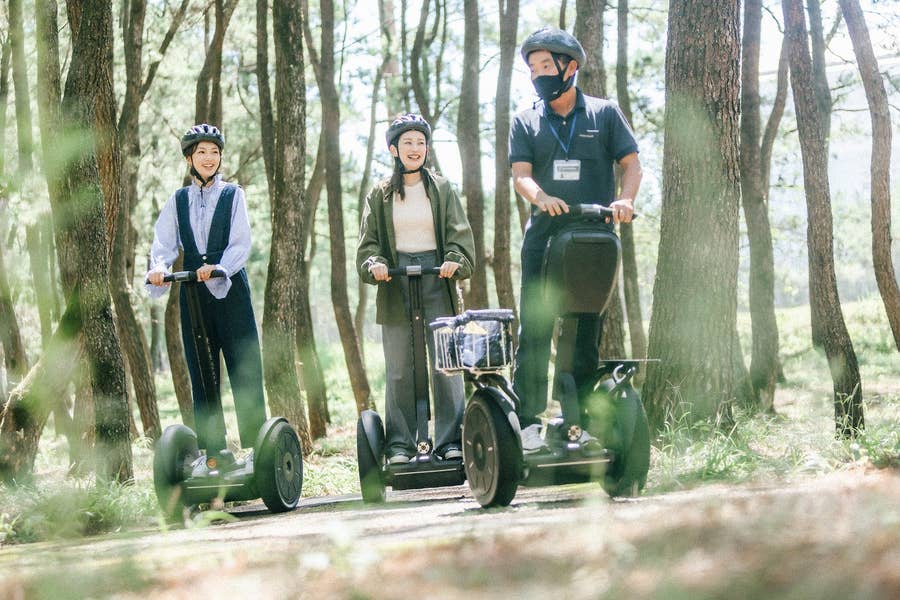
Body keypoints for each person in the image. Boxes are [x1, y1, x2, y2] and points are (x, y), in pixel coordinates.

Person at [509, 28, 642, 452]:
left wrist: (625, 199)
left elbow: (632, 164)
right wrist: (541, 197)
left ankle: (576, 420)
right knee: (536, 329)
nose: (538, 75)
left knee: (585, 329)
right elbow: (521, 175)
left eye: (545, 66)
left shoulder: (604, 114)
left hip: (592, 239)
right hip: (544, 240)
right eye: (533, 68)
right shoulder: (526, 120)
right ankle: (527, 422)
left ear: (570, 67)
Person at [356, 113, 476, 464]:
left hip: (437, 278)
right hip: (395, 282)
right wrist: (375, 264)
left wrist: (454, 259)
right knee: (399, 367)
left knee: (445, 363)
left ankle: (451, 441)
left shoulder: (442, 188)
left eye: (420, 142)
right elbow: (368, 244)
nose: (415, 148)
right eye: (407, 142)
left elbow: (459, 234)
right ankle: (400, 445)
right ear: (394, 149)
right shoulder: (380, 193)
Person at [146, 123, 267, 467]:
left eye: (214, 152)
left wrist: (220, 267)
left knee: (244, 367)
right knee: (202, 370)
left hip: (231, 292)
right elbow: (164, 243)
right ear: (189, 159)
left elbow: (241, 243)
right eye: (202, 152)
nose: (209, 157)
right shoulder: (178, 200)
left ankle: (257, 449)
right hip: (194, 295)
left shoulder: (233, 195)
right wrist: (158, 268)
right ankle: (214, 453)